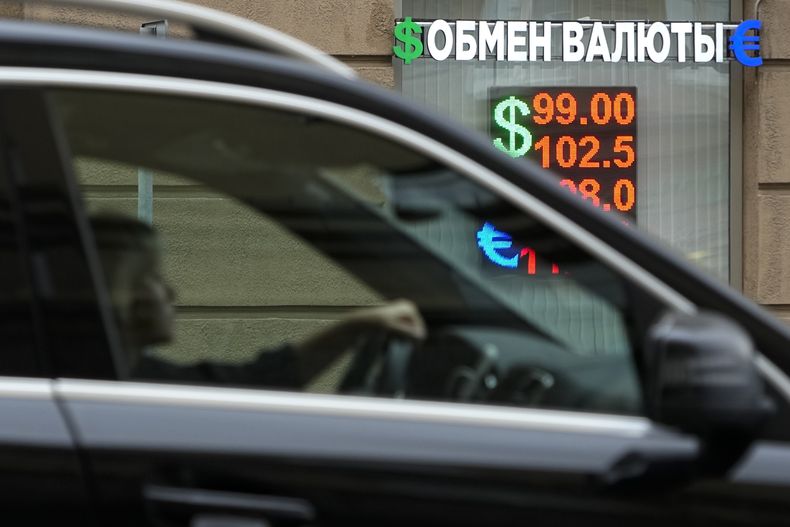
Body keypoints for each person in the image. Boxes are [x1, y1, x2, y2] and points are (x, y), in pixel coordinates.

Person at [89, 214, 426, 388]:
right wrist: (357, 326)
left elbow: (251, 381)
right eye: (151, 277)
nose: (171, 293)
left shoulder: (129, 379)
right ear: (117, 294)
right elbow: (254, 383)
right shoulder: (126, 389)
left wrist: (357, 325)